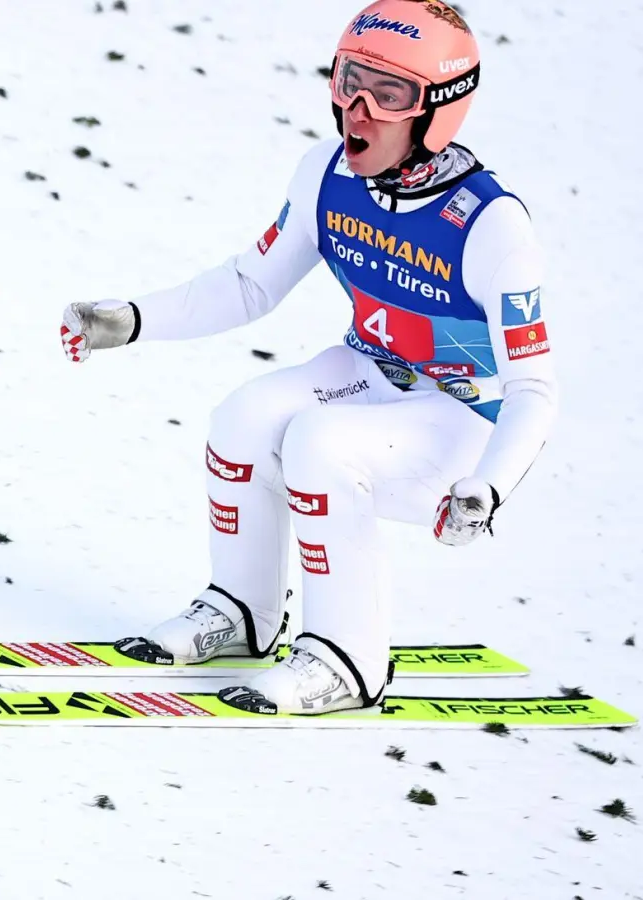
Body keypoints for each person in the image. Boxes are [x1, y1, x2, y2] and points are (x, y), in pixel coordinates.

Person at [58, 0, 556, 715]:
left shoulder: (490, 224)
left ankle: (349, 660)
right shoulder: (326, 173)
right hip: (370, 375)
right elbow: (250, 283)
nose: (358, 108)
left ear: (438, 112)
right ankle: (244, 610)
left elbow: (534, 387)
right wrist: (132, 320)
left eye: (390, 94)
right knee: (243, 419)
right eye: (350, 79)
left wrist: (490, 487)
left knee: (320, 446)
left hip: (462, 420)